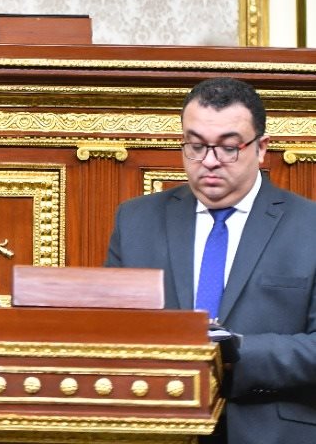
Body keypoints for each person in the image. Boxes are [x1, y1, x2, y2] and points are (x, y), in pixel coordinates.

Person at [106, 76, 316, 444]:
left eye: (228, 148)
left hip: (272, 428)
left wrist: (234, 353)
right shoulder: (136, 220)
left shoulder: (308, 225)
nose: (210, 162)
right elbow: (110, 328)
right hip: (160, 423)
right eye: (196, 146)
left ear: (261, 148)